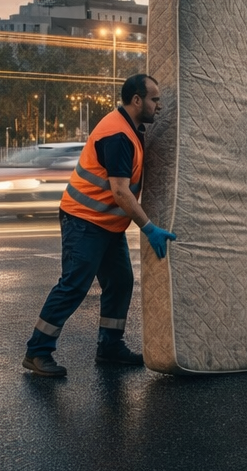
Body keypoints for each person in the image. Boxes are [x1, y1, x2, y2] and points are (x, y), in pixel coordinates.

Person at [22, 73, 176, 377]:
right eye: (155, 99)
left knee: (120, 282)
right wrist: (148, 227)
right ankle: (37, 352)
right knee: (73, 285)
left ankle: (110, 346)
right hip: (84, 220)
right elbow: (120, 191)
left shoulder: (131, 128)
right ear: (137, 100)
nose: (159, 106)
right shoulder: (118, 135)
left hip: (106, 224)